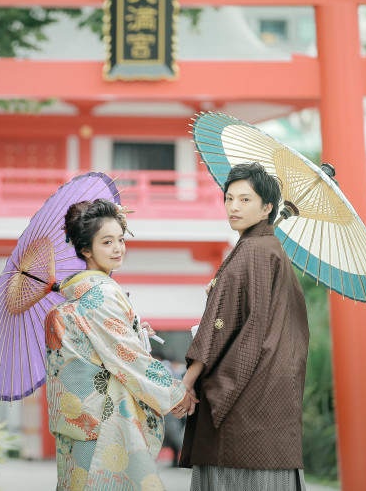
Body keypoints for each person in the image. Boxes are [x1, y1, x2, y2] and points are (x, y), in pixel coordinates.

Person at [45, 198, 195, 491]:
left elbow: (108, 348)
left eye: (121, 240)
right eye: (107, 242)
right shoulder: (100, 295)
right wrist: (174, 393)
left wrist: (135, 331)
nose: (117, 249)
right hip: (104, 422)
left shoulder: (77, 297)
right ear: (86, 249)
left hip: (79, 421)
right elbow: (127, 356)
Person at [178, 162, 309, 490]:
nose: (233, 207)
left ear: (267, 208)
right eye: (229, 198)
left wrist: (188, 381)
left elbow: (220, 326)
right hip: (274, 399)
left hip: (245, 404)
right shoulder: (271, 249)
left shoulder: (251, 251)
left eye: (245, 200)